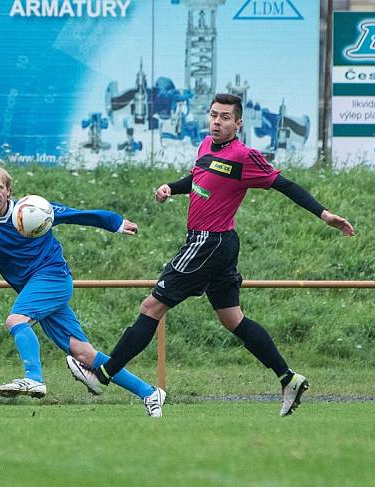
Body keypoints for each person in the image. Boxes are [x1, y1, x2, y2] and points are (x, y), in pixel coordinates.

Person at [69, 93, 355, 417]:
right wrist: (171, 188)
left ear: (238, 123)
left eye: (225, 117)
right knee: (232, 318)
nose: (217, 122)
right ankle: (288, 378)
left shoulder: (244, 156)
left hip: (210, 242)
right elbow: (198, 178)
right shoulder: (206, 146)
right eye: (214, 115)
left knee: (152, 306)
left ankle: (102, 375)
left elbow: (285, 184)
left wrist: (324, 214)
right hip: (218, 245)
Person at [0, 162, 167, 417]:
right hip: (35, 288)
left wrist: (116, 223)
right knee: (84, 353)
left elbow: (76, 215)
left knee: (16, 320)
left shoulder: (32, 208)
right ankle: (149, 393)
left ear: (9, 190)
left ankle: (33, 377)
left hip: (53, 277)